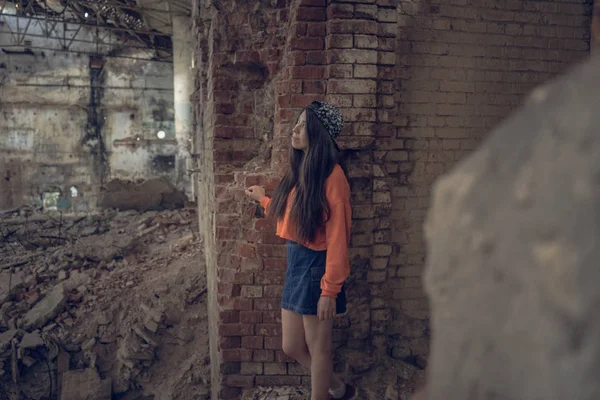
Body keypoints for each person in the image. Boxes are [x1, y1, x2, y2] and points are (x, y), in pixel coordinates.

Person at [245, 101, 356, 400]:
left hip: (317, 266)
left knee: (319, 347)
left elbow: (337, 238)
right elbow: (294, 219)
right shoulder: (302, 170)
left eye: (302, 125)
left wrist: (329, 290)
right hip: (296, 263)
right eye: (296, 122)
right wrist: (264, 200)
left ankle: (326, 392)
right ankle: (337, 388)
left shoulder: (333, 178)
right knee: (291, 346)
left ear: (318, 133)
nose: (294, 129)